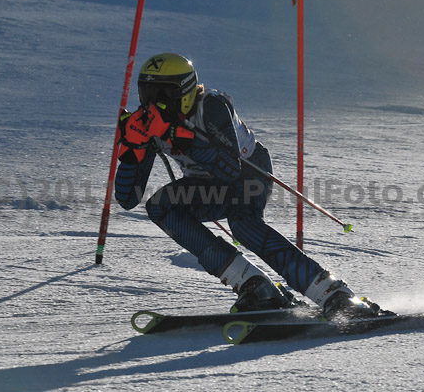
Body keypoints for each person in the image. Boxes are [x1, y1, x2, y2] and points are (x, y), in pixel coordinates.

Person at [115, 53, 391, 319]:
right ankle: (254, 286)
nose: (153, 104)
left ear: (185, 92)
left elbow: (228, 167)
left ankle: (335, 295)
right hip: (205, 184)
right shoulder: (153, 123)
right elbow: (128, 198)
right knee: (161, 206)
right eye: (147, 94)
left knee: (243, 224)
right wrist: (132, 150)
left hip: (249, 172)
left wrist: (177, 136)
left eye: (163, 95)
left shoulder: (210, 106)